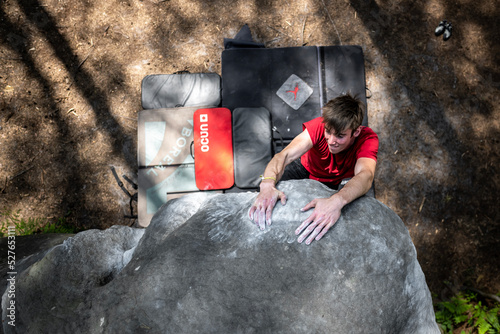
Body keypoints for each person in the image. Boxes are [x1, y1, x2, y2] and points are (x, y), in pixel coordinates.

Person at [248, 94, 379, 245]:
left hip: (342, 181)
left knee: (356, 224)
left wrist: (337, 201)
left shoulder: (367, 139)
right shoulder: (318, 126)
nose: (331, 141)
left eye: (340, 136)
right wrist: (267, 184)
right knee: (266, 196)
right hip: (306, 169)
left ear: (355, 132)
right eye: (328, 131)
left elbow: (366, 175)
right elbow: (283, 156)